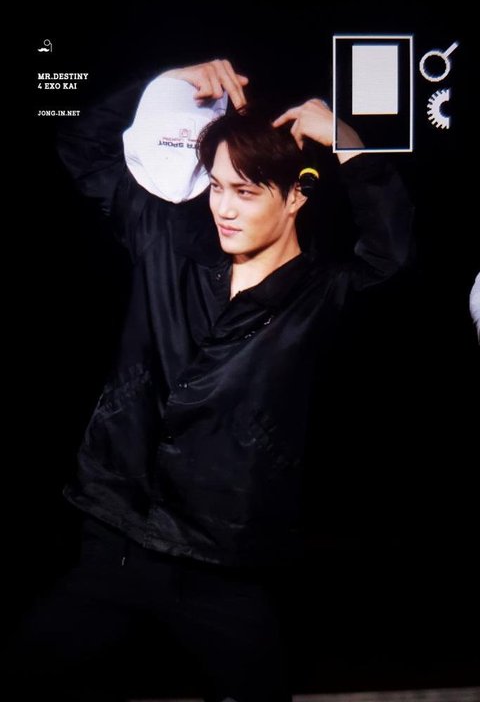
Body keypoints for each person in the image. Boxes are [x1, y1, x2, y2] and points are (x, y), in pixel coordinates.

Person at [14, 59, 413, 702]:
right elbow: (83, 148)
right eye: (218, 186)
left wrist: (348, 145)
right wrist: (169, 82)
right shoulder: (168, 243)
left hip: (223, 561)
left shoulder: (319, 294)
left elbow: (390, 254)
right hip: (118, 534)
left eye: (246, 192)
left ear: (295, 197)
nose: (223, 208)